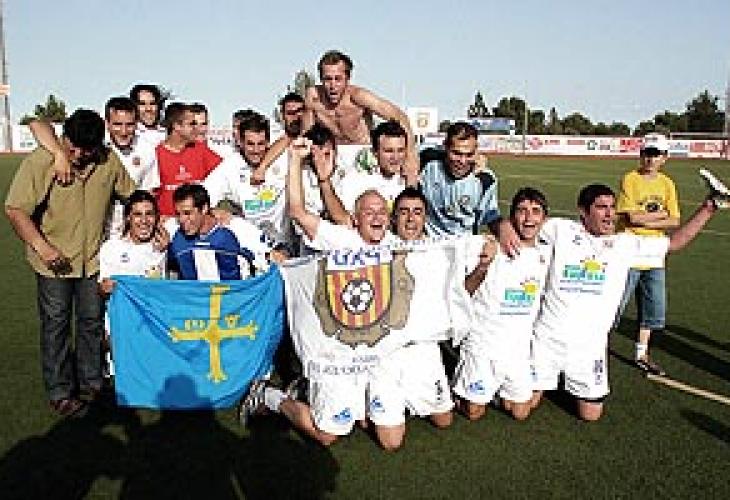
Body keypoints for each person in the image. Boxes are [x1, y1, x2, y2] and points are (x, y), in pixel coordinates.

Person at [238, 137, 398, 447]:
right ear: (355, 219)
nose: (377, 217)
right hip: (336, 352)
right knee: (327, 436)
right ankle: (269, 396)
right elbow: (298, 211)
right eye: (368, 212)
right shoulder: (342, 239)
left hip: (374, 352)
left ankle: (310, 389)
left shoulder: (397, 246)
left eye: (382, 211)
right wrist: (296, 161)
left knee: (387, 438)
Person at [531, 183, 723, 422]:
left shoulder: (625, 244)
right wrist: (505, 230)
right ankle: (545, 379)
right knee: (522, 408)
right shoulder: (560, 230)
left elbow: (674, 243)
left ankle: (565, 381)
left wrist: (709, 208)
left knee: (591, 415)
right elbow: (523, 225)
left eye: (612, 207)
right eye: (601, 207)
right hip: (548, 340)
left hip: (589, 347)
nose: (609, 214)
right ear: (583, 211)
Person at [4, 109, 137, 416]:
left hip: (92, 261)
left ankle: (92, 383)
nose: (77, 155)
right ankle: (60, 391)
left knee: (91, 323)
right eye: (72, 148)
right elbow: (15, 209)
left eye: (85, 150)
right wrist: (42, 247)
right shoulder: (42, 161)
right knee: (56, 326)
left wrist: (151, 223)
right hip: (52, 264)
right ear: (64, 138)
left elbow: (131, 194)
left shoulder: (107, 161)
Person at [453, 188, 551, 421]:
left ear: (544, 219)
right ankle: (458, 388)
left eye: (536, 211)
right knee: (474, 413)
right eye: (522, 211)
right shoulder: (488, 246)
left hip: (517, 350)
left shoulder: (547, 253)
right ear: (512, 215)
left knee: (521, 412)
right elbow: (463, 290)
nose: (529, 218)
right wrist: (483, 266)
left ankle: (494, 389)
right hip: (483, 345)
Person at [614, 133, 678, 376]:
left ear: (665, 157)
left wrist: (645, 220)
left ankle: (641, 353)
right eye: (647, 153)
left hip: (654, 253)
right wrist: (660, 216)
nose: (650, 159)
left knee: (653, 306)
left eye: (656, 154)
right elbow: (631, 217)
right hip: (630, 250)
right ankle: (597, 347)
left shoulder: (667, 184)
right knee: (615, 304)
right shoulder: (630, 179)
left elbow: (675, 220)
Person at [304, 50, 418, 175]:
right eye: (328, 79)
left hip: (363, 154)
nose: (333, 85)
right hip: (334, 156)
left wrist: (411, 155)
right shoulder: (313, 98)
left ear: (347, 79)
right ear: (321, 79)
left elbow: (400, 117)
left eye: (338, 79)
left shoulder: (359, 97)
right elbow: (307, 134)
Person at [419, 121, 520, 255]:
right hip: (429, 246)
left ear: (476, 151)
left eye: (469, 154)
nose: (462, 161)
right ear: (445, 147)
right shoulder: (427, 163)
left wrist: (503, 227)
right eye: (456, 153)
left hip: (465, 250)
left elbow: (491, 217)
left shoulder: (485, 179)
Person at [204, 112, 293, 252]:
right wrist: (217, 212)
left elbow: (292, 137)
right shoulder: (229, 167)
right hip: (250, 247)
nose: (256, 150)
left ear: (268, 142)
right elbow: (202, 197)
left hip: (286, 245)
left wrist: (263, 167)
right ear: (240, 142)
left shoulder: (281, 158)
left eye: (261, 144)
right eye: (250, 144)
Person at [166, 183, 268, 281]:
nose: (181, 219)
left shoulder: (238, 230)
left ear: (204, 209)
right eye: (178, 214)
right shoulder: (174, 234)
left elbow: (267, 258)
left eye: (187, 213)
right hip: (195, 293)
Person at [155, 102, 222, 217]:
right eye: (192, 124)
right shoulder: (156, 155)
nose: (196, 129)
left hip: (198, 221)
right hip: (169, 222)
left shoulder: (201, 150)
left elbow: (226, 173)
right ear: (176, 126)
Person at [338, 120, 417, 213]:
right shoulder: (354, 181)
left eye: (400, 150)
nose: (395, 157)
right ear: (375, 152)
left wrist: (411, 182)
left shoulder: (410, 179)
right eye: (389, 151)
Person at [251, 92, 306, 185]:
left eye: (299, 111)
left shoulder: (312, 135)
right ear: (282, 115)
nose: (296, 117)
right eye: (290, 113)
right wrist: (261, 168)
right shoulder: (272, 137)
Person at [130, 83, 167, 147]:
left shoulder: (167, 133)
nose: (148, 109)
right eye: (142, 104)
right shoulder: (129, 134)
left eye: (152, 103)